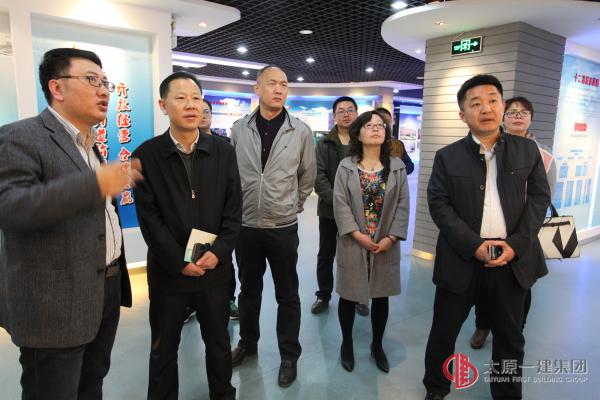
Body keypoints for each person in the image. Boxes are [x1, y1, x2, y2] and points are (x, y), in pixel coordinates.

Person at [0, 47, 142, 399]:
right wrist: (95, 184)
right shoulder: (19, 137)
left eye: (106, 83)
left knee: (91, 384)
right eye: (92, 80)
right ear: (57, 87)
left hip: (103, 288)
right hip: (54, 303)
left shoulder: (89, 144)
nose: (104, 91)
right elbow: (11, 208)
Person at [422, 75, 550, 400]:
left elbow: (539, 199)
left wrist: (517, 245)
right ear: (462, 114)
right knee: (443, 333)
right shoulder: (447, 156)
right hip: (461, 259)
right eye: (475, 103)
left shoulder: (527, 150)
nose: (486, 109)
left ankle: (507, 394)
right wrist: (474, 245)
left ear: (502, 106)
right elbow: (439, 204)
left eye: (493, 100)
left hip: (510, 260)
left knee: (510, 338)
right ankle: (436, 389)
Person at [133, 72, 241, 400]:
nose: (191, 105)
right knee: (163, 349)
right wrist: (178, 262)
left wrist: (219, 251)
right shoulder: (146, 155)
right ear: (163, 105)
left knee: (219, 344)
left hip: (214, 270)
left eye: (196, 98)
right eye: (180, 98)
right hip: (169, 273)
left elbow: (234, 209)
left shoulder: (223, 151)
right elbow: (149, 218)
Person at [230, 65, 316, 388]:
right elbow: (232, 175)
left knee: (288, 294)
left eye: (284, 84)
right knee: (248, 290)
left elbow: (307, 176)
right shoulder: (239, 128)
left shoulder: (300, 131)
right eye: (272, 83)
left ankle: (289, 355)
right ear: (257, 88)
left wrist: (292, 205)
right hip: (246, 225)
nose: (279, 89)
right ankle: (247, 344)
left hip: (282, 227)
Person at [470, 96, 556, 349]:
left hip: (524, 232)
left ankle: (516, 329)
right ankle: (483, 325)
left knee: (521, 284)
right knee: (486, 281)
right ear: (503, 117)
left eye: (524, 112)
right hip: (491, 230)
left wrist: (523, 233)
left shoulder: (544, 156)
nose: (518, 116)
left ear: (531, 118)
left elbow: (545, 197)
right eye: (512, 112)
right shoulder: (488, 148)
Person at [333, 111, 409, 373]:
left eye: (380, 125)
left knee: (380, 294)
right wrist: (356, 234)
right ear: (358, 132)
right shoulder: (346, 166)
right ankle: (346, 343)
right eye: (369, 125)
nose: (376, 129)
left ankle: (377, 345)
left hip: (384, 242)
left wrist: (392, 237)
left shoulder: (397, 167)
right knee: (348, 294)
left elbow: (403, 205)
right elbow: (340, 203)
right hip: (353, 241)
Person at [311, 96, 369, 317]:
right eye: (341, 111)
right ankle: (323, 295)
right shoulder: (324, 143)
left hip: (359, 212)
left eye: (350, 110)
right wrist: (339, 202)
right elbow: (319, 177)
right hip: (329, 210)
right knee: (326, 254)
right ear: (334, 115)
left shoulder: (364, 142)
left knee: (358, 255)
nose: (346, 114)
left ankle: (358, 296)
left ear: (356, 113)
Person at [183, 98, 238, 324]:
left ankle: (229, 300)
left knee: (223, 261)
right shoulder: (180, 148)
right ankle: (190, 304)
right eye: (200, 110)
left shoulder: (224, 147)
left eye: (207, 111)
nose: (202, 115)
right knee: (188, 262)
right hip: (189, 220)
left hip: (217, 221)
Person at [374, 107, 414, 175]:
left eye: (388, 121)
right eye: (381, 121)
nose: (386, 124)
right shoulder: (367, 143)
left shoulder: (398, 144)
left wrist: (395, 172)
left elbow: (410, 166)